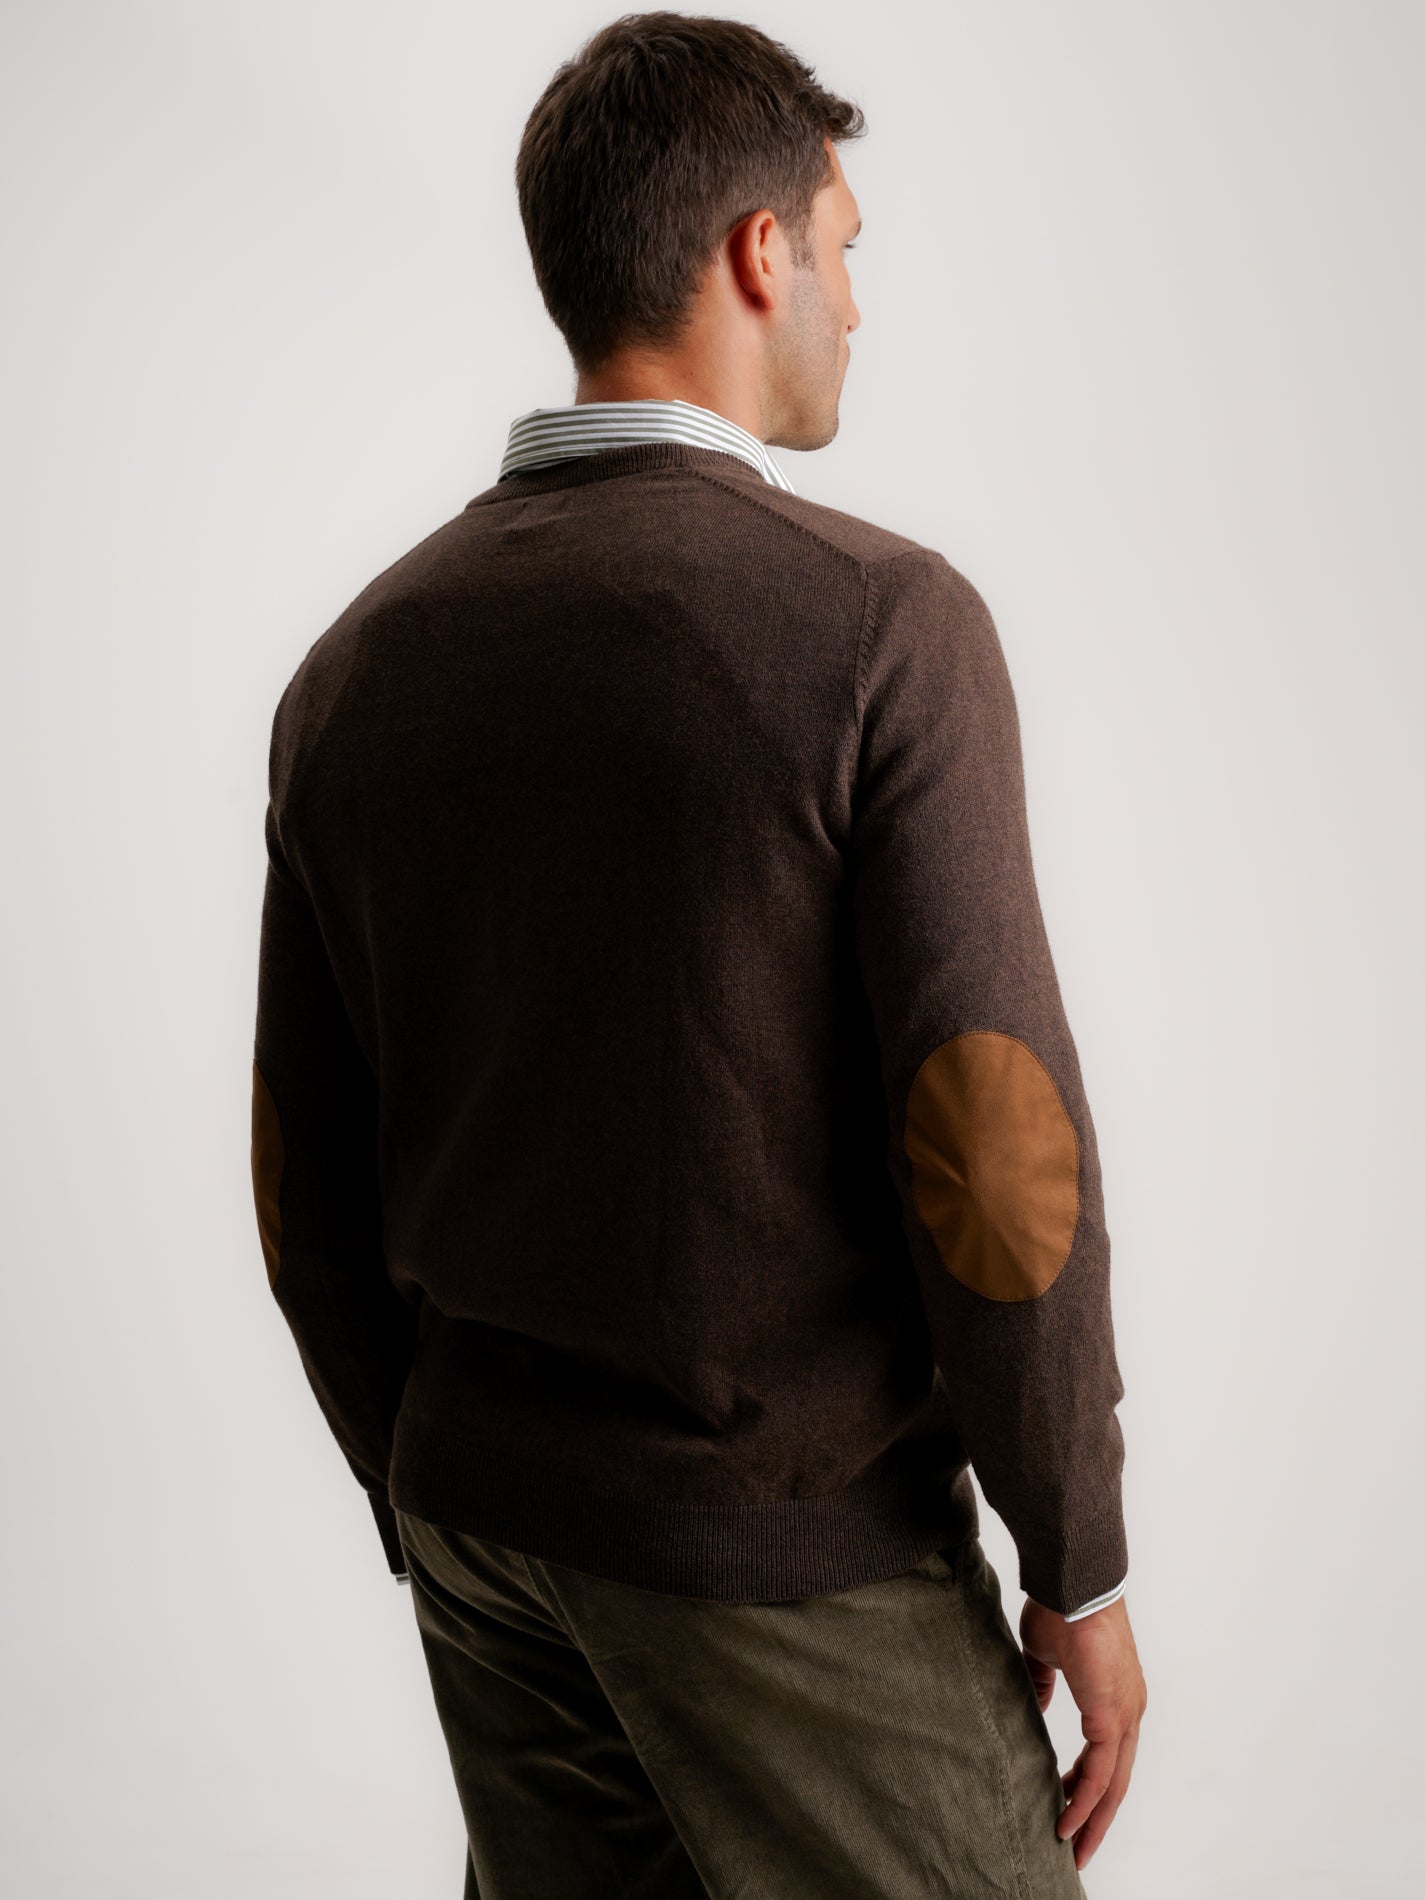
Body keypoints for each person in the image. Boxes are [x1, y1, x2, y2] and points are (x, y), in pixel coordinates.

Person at [249, 12, 1147, 1896]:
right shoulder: (876, 625)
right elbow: (991, 1151)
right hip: (783, 1544)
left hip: (484, 1525)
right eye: (842, 247)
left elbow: (301, 1170)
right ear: (757, 252)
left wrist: (427, 1489)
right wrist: (1077, 1560)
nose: (855, 304)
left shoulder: (354, 669)